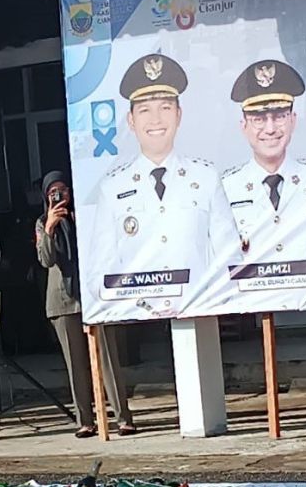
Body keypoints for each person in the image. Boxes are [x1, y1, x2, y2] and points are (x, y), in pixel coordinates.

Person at [91, 53, 239, 317]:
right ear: (131, 120)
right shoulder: (112, 189)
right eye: (145, 110)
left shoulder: (205, 178)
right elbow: (101, 273)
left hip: (199, 314)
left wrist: (202, 301)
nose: (156, 120)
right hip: (138, 321)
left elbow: (229, 256)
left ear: (179, 115)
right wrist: (142, 306)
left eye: (165, 108)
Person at [221, 60, 306, 310]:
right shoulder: (227, 188)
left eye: (279, 116)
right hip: (254, 318)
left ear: (293, 120)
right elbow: (222, 268)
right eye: (259, 118)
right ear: (244, 126)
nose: (270, 129)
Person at [38, 171, 135, 438]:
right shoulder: (41, 223)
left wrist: (83, 224)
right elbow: (46, 260)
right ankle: (85, 421)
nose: (59, 197)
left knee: (108, 359)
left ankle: (123, 418)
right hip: (62, 300)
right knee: (76, 365)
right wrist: (49, 227)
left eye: (63, 191)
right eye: (53, 193)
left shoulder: (87, 215)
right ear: (46, 197)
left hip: (93, 295)